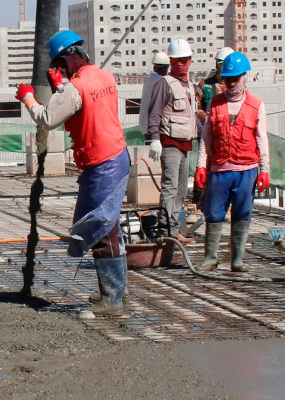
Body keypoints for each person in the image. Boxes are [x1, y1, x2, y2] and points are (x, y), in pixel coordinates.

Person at [16, 30, 131, 316]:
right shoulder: (104, 77)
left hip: (101, 164)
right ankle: (117, 293)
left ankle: (113, 300)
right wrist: (60, 89)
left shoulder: (74, 89)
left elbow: (48, 119)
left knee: (100, 229)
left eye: (59, 65)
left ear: (66, 60)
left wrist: (27, 98)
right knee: (110, 225)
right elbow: (87, 108)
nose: (58, 70)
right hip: (118, 157)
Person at [197, 51, 270, 273]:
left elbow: (262, 138)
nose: (230, 84)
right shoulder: (216, 104)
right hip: (220, 169)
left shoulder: (257, 105)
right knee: (214, 213)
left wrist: (265, 169)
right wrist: (201, 164)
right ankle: (211, 257)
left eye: (234, 79)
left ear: (244, 77)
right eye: (227, 79)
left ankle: (237, 259)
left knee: (242, 213)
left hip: (246, 170)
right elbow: (207, 137)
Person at [144, 39, 202, 238]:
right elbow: (155, 113)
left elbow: (193, 117)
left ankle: (173, 226)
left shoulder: (189, 86)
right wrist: (154, 138)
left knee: (181, 189)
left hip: (186, 144)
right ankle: (167, 229)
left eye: (183, 60)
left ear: (189, 61)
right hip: (169, 142)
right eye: (175, 60)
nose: (179, 64)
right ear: (170, 61)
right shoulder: (164, 83)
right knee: (170, 186)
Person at [138, 50, 169, 133]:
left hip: (145, 125)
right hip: (155, 127)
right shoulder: (161, 80)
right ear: (166, 68)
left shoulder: (148, 80)